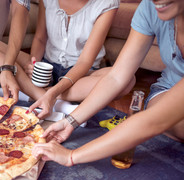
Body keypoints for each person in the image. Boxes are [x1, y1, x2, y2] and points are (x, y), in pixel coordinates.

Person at [32, 0, 184, 166]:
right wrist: (70, 121)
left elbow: (152, 122)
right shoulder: (149, 7)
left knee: (165, 120)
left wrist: (72, 156)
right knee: (170, 120)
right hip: (167, 89)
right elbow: (116, 77)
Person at [0, 0, 124, 111]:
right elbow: (40, 39)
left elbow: (85, 62)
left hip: (81, 75)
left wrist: (55, 91)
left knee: (125, 79)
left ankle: (39, 95)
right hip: (47, 67)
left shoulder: (107, 3)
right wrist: (33, 65)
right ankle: (48, 99)